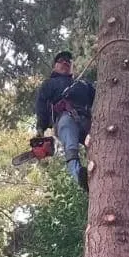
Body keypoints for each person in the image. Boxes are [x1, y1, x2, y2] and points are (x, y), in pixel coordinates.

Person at [34, 51, 95, 187]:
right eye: (61, 60)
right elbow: (41, 106)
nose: (65, 62)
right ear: (54, 66)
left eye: (68, 61)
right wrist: (40, 128)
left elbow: (100, 97)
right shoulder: (50, 84)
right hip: (65, 118)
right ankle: (79, 175)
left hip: (87, 120)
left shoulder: (83, 84)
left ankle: (99, 172)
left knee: (98, 145)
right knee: (71, 147)